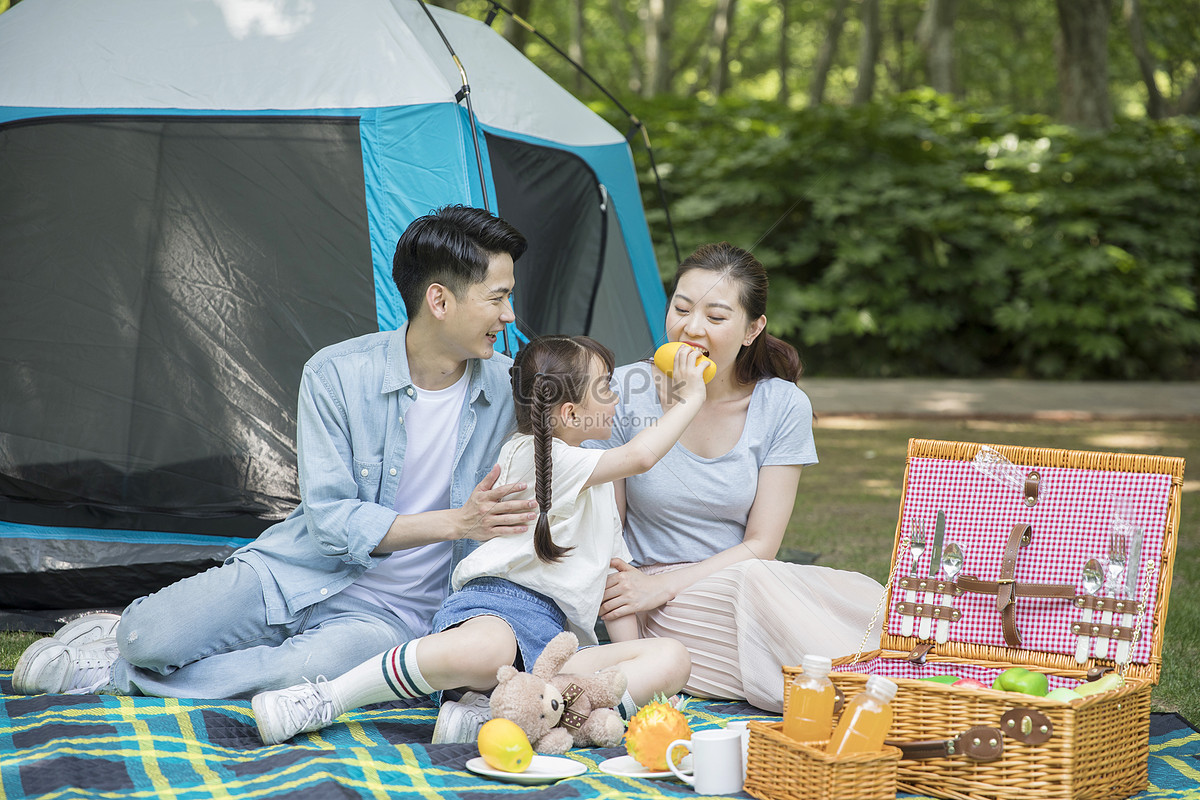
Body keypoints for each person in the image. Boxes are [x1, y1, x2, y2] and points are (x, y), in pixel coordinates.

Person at [13, 205, 540, 699]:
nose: (510, 315)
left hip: (393, 616)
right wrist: (459, 522)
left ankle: (115, 673)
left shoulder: (509, 389)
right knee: (147, 636)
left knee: (288, 675)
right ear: (440, 301)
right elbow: (332, 522)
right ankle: (122, 644)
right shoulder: (336, 374)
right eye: (496, 298)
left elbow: (587, 438)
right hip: (296, 569)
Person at [250, 334, 703, 745]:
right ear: (569, 413)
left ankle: (495, 719)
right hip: (499, 611)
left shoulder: (601, 483)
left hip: (551, 651)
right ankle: (328, 699)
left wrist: (619, 665)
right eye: (605, 387)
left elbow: (614, 586)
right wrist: (690, 398)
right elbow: (642, 455)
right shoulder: (533, 454)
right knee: (492, 648)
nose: (617, 396)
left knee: (671, 659)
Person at [589, 242, 884, 713]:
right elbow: (608, 536)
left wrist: (670, 584)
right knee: (772, 599)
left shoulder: (782, 405)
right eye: (681, 308)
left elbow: (761, 544)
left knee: (864, 599)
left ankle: (918, 680)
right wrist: (641, 607)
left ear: (753, 329)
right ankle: (874, 698)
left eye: (716, 316)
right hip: (657, 601)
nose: (691, 328)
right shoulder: (623, 391)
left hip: (743, 576)